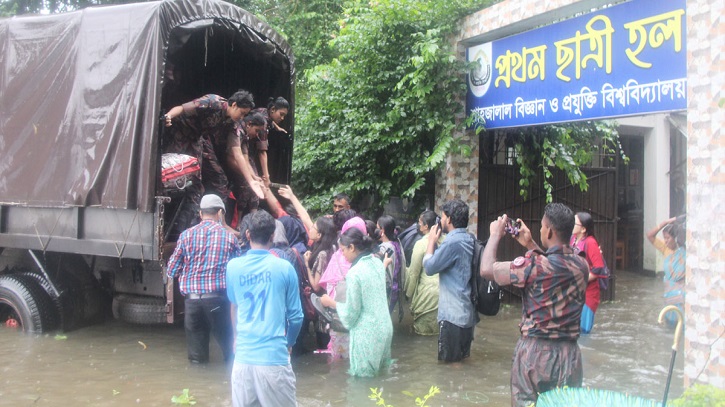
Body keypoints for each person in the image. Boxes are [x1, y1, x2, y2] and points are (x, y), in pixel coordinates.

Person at [480, 203, 589, 407]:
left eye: (541, 226)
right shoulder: (581, 265)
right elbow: (554, 265)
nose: (539, 230)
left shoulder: (531, 266)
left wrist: (495, 235)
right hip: (571, 356)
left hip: (535, 355)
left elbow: (486, 269)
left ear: (548, 231)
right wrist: (530, 244)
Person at [226, 210, 303, 407]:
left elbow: (234, 307)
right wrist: (289, 343)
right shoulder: (285, 267)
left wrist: (236, 338)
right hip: (273, 359)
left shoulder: (233, 267)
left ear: (248, 235)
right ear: (272, 236)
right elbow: (296, 317)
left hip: (242, 359)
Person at [163, 90, 263, 232]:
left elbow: (238, 152)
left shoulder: (233, 123)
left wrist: (251, 179)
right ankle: (172, 225)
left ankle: (212, 224)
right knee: (171, 177)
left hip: (197, 140)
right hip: (179, 134)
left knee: (214, 182)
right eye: (242, 113)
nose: (242, 117)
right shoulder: (212, 102)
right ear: (234, 105)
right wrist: (169, 116)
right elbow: (182, 108)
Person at [166, 194, 241, 364]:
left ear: (200, 213)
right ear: (220, 213)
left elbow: (171, 269)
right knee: (231, 351)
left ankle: (197, 387)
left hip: (192, 303)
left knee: (197, 359)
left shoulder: (185, 236)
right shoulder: (229, 238)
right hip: (219, 301)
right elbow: (238, 270)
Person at [320, 227, 393, 377]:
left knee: (363, 383)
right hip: (384, 329)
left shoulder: (354, 273)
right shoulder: (377, 263)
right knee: (382, 377)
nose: (342, 254)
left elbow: (351, 313)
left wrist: (330, 302)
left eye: (343, 250)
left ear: (352, 247)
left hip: (368, 334)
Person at [423, 199, 479, 363]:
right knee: (461, 362)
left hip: (452, 317)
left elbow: (429, 267)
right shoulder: (469, 239)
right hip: (467, 314)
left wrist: (432, 240)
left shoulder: (453, 242)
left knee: (450, 367)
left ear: (449, 219)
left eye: (442, 217)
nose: (440, 221)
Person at [318, 213, 363, 360]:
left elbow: (328, 287)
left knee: (338, 362)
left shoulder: (338, 256)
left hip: (339, 320)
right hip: (362, 325)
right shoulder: (371, 261)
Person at [570, 211, 607, 334]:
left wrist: (581, 280)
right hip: (575, 292)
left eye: (575, 223)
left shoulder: (590, 242)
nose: (571, 224)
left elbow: (598, 268)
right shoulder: (573, 239)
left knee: (584, 331)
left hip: (588, 294)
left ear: (583, 229)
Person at [404, 210, 440, 336]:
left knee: (423, 338)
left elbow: (414, 273)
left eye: (420, 223)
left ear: (426, 226)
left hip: (427, 298)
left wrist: (407, 295)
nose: (418, 225)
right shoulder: (447, 241)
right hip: (447, 298)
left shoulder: (421, 244)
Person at [646, 216, 686, 327]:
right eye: (664, 238)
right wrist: (665, 222)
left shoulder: (685, 252)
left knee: (682, 325)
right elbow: (650, 235)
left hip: (682, 297)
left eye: (668, 238)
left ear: (675, 238)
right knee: (669, 326)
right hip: (669, 296)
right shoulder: (665, 249)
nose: (665, 241)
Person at [304, 216, 337, 349]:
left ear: (319, 234)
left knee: (324, 344)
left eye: (313, 227)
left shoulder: (322, 254)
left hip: (323, 306)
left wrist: (306, 264)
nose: (310, 229)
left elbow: (316, 286)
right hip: (329, 302)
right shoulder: (332, 248)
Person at [250, 97, 290, 187]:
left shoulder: (263, 111)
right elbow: (262, 152)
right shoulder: (263, 124)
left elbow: (270, 120)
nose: (282, 118)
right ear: (273, 109)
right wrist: (267, 177)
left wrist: (277, 127)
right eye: (281, 114)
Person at [376, 215, 405, 320]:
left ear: (382, 230)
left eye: (377, 228)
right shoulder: (397, 242)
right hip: (396, 289)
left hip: (388, 290)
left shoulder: (384, 248)